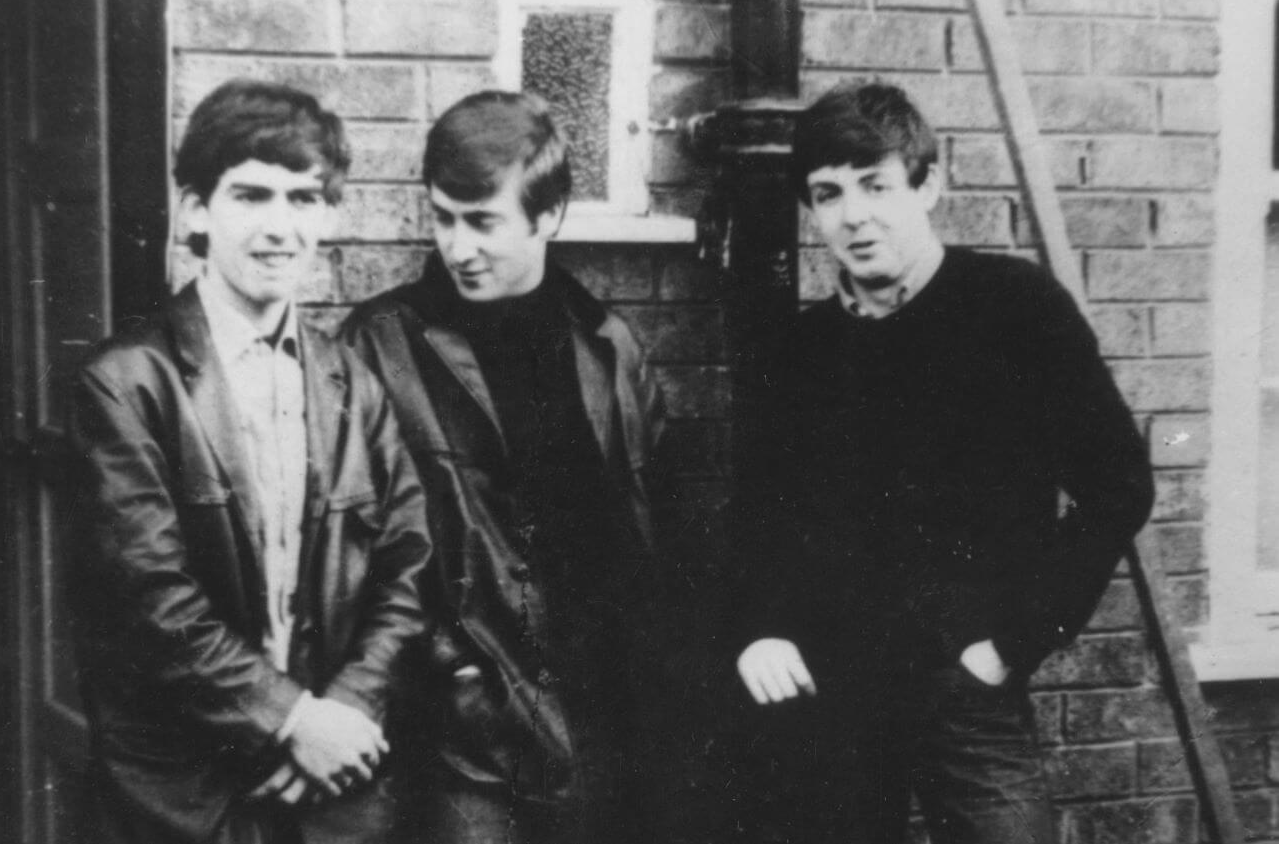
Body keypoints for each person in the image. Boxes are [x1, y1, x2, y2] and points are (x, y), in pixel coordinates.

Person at [731, 82, 1155, 843]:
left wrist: (1012, 644)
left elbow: (1118, 485)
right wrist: (760, 630)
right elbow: (757, 512)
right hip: (833, 691)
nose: (854, 214)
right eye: (828, 194)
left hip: (967, 689)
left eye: (876, 185)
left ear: (927, 185)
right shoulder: (799, 353)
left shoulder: (1015, 309)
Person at [69, 79, 434, 844]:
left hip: (332, 789)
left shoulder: (352, 381)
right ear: (197, 210)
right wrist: (290, 719)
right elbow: (151, 601)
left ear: (329, 213)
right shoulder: (128, 381)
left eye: (303, 199)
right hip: (185, 794)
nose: (280, 227)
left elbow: (408, 566)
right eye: (252, 195)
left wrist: (342, 716)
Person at [343, 90, 667, 844]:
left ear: (548, 215)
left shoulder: (608, 345)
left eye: (482, 220)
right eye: (442, 218)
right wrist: (456, 674)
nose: (458, 247)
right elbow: (356, 553)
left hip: (602, 719)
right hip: (465, 736)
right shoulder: (377, 345)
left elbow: (650, 529)